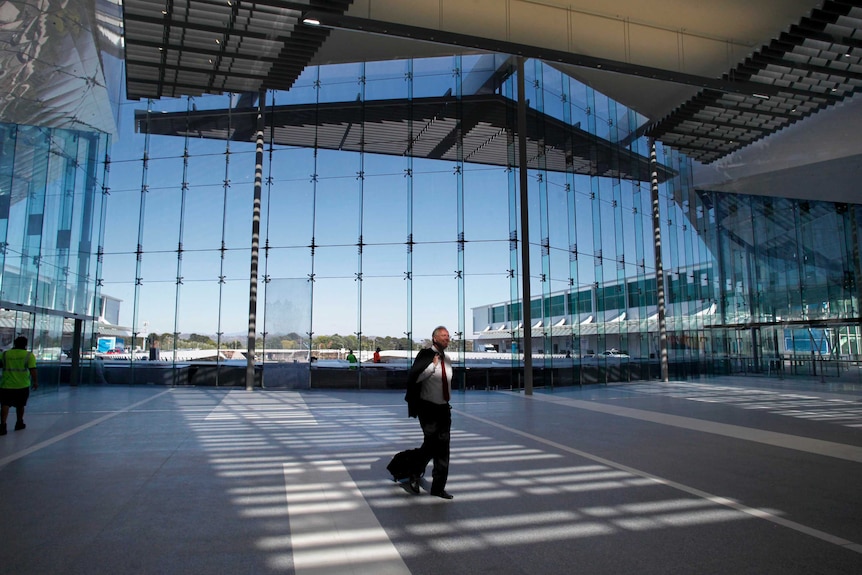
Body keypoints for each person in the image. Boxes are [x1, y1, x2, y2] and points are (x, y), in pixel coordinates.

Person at [404, 326, 454, 499]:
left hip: (443, 408)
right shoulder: (425, 355)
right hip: (428, 408)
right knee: (432, 443)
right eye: (443, 336)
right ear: (434, 339)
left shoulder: (447, 359)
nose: (447, 339)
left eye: (448, 336)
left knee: (443, 448)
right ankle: (414, 472)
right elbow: (415, 378)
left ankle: (438, 488)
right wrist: (432, 367)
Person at [0, 336, 39, 435]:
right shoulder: (29, 355)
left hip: (6, 384)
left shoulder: (5, 354)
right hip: (22, 384)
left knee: (5, 404)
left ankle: (3, 425)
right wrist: (35, 382)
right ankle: (19, 422)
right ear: (25, 344)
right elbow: (33, 370)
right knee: (20, 405)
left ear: (15, 343)